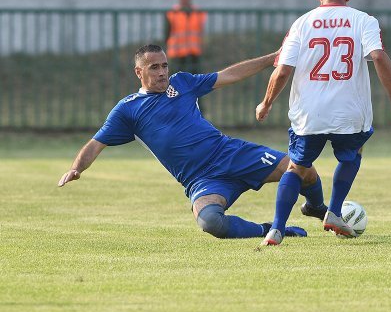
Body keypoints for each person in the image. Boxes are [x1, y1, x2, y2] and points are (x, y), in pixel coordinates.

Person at [57, 44, 324, 240]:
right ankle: (270, 230)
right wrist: (77, 168)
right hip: (202, 179)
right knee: (210, 222)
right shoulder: (128, 109)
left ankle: (319, 208)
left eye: (164, 65)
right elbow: (95, 143)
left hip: (230, 153)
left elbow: (228, 75)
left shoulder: (182, 83)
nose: (162, 72)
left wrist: (270, 59)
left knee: (304, 170)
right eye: (154, 67)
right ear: (138, 71)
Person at [255, 0, 391, 247]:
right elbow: (377, 55)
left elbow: (282, 70)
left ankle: (276, 229)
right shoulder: (363, 20)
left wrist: (266, 102)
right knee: (352, 155)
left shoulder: (302, 23)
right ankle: (334, 212)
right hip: (349, 112)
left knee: (296, 167)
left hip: (309, 113)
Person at [165, 0, 206, 74]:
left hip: (194, 53)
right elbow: (167, 33)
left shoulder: (199, 13)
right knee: (177, 82)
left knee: (195, 81)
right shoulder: (172, 13)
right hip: (177, 54)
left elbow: (201, 32)